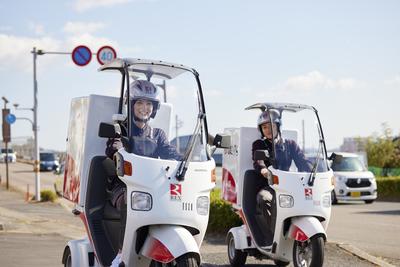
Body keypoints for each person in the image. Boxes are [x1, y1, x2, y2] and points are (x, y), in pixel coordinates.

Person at [105, 80, 182, 267]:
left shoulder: (158, 134)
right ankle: (121, 254)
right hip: (122, 185)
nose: (144, 108)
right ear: (131, 105)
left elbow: (172, 154)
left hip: (150, 186)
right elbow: (114, 148)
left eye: (149, 104)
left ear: (154, 108)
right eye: (139, 102)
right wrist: (118, 150)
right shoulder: (120, 128)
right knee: (129, 200)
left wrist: (187, 160)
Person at [252, 109, 311, 177]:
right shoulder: (258, 144)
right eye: (264, 127)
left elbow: (303, 162)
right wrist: (263, 169)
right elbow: (258, 161)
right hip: (266, 182)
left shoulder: (291, 144)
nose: (268, 130)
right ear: (261, 130)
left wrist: (311, 170)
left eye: (272, 126)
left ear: (278, 126)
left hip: (286, 181)